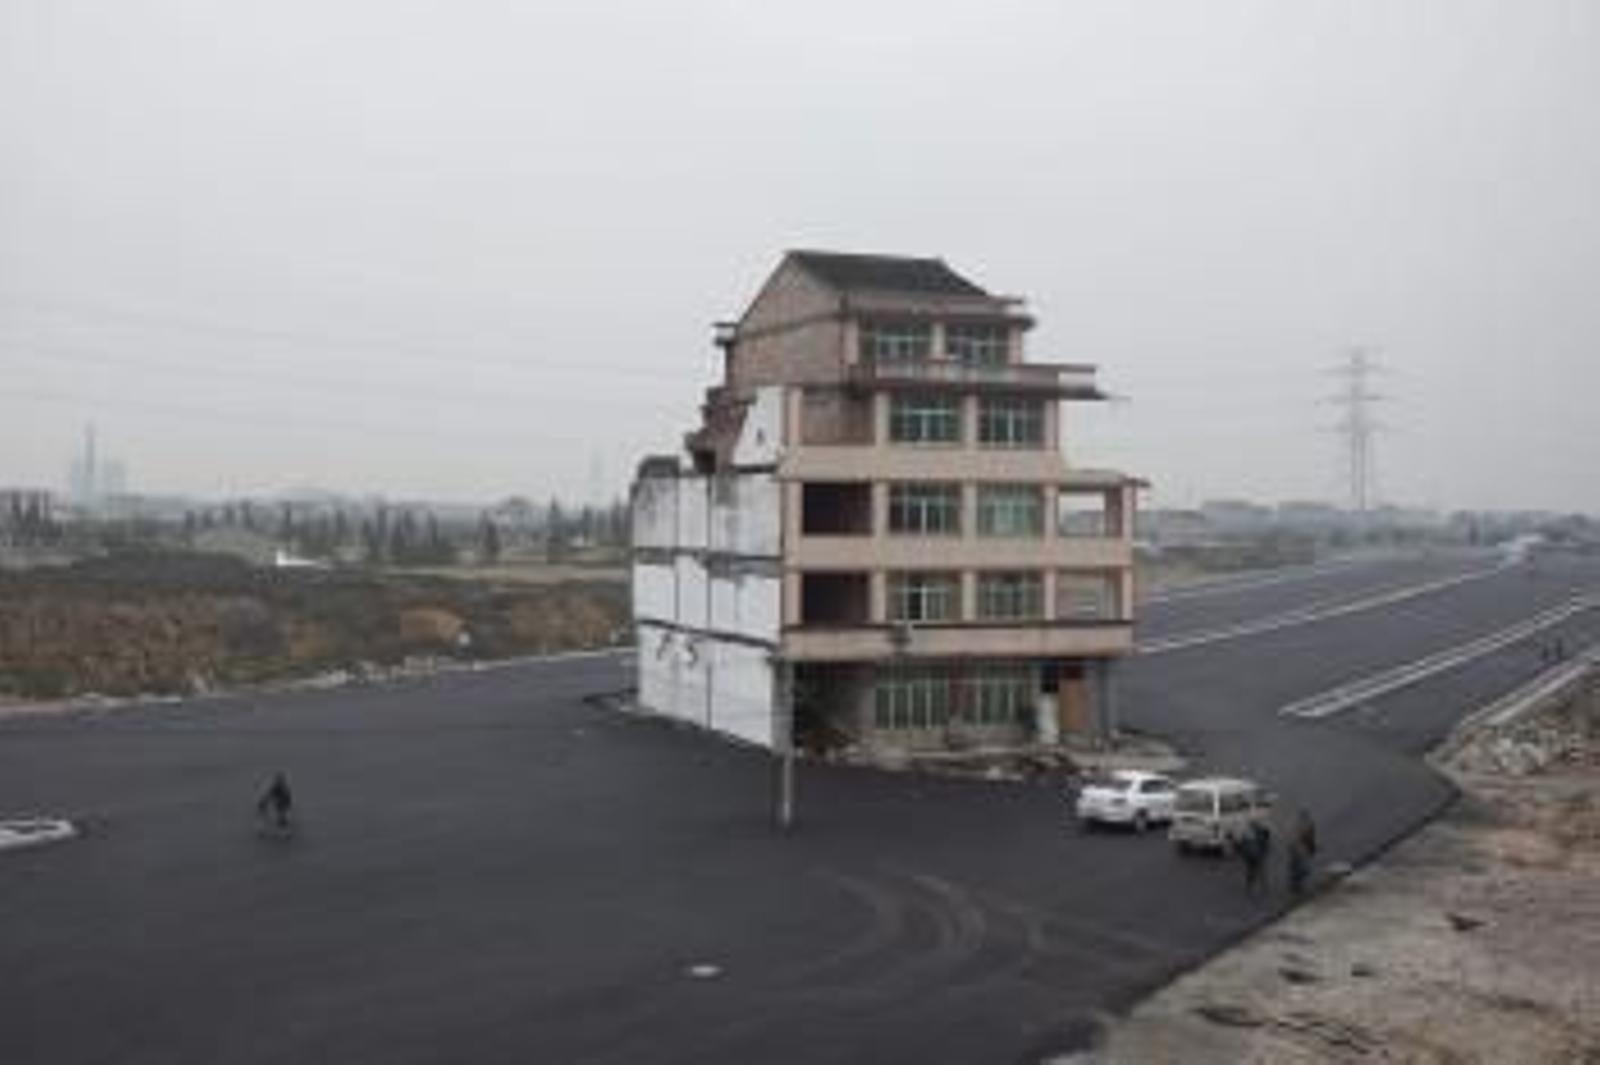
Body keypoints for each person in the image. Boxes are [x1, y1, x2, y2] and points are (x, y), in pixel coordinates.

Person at [1287, 808, 1318, 895]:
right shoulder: (1308, 825)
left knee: (1296, 866)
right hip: (1299, 848)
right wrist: (1311, 847)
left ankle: (1294, 884)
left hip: (1294, 847)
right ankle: (1295, 884)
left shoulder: (1294, 823)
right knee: (1302, 868)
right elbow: (1309, 837)